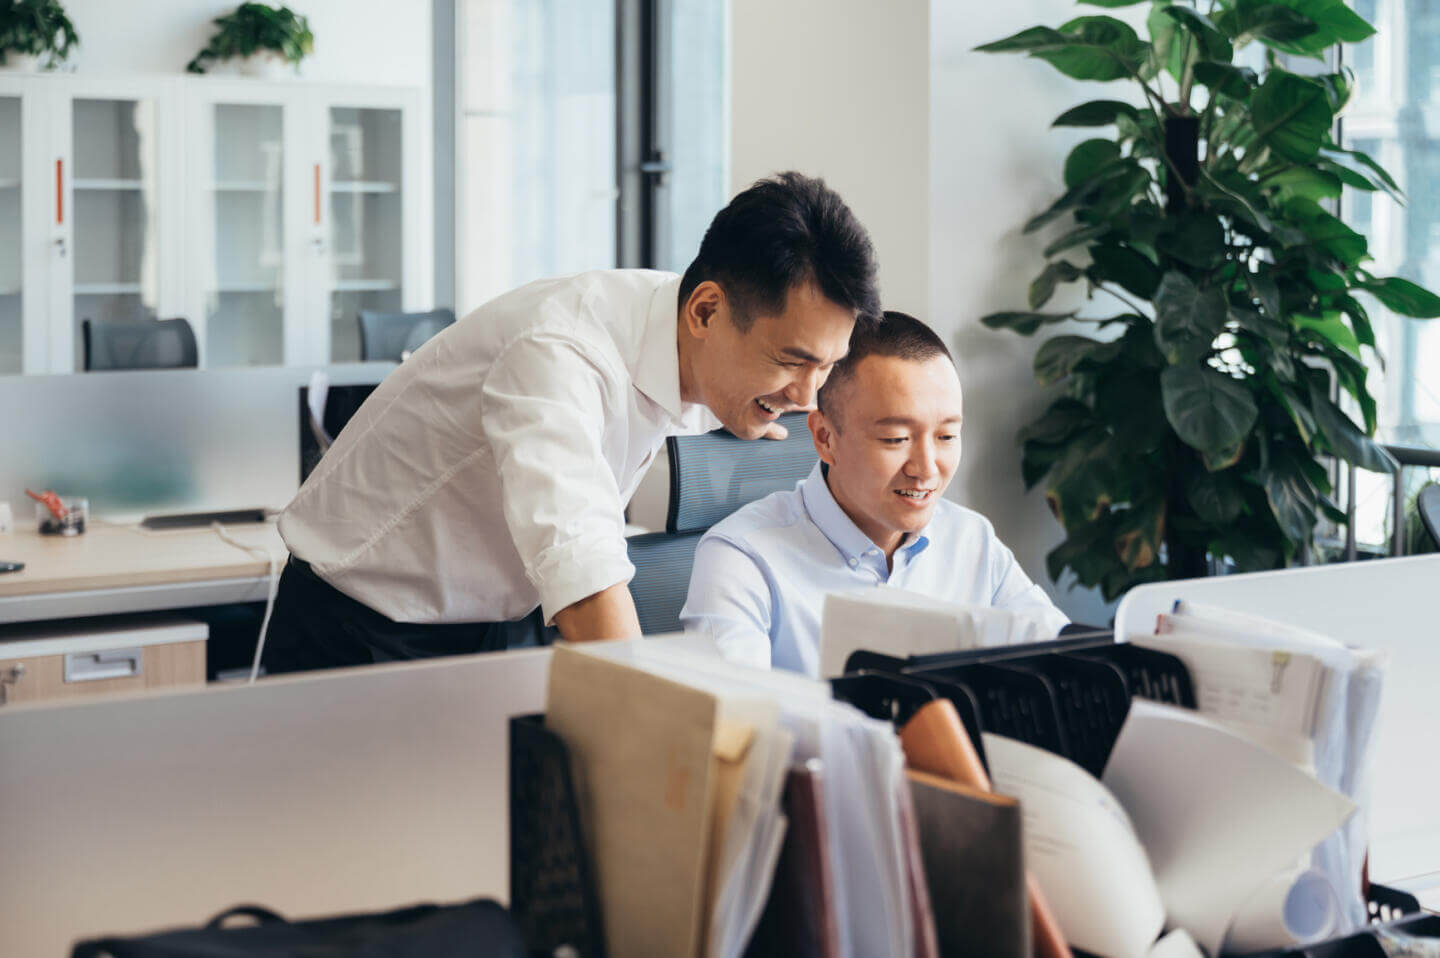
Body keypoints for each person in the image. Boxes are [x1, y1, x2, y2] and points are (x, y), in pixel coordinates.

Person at [263, 172, 880, 673]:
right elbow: (582, 568)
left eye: (826, 367)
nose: (808, 394)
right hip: (362, 620)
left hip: (496, 620)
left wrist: (765, 400)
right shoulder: (558, 354)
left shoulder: (696, 343)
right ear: (707, 310)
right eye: (791, 363)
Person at [680, 311, 1068, 676]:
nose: (927, 468)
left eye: (947, 436)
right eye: (896, 438)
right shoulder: (742, 558)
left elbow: (1068, 658)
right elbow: (733, 728)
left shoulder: (972, 540)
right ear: (825, 438)